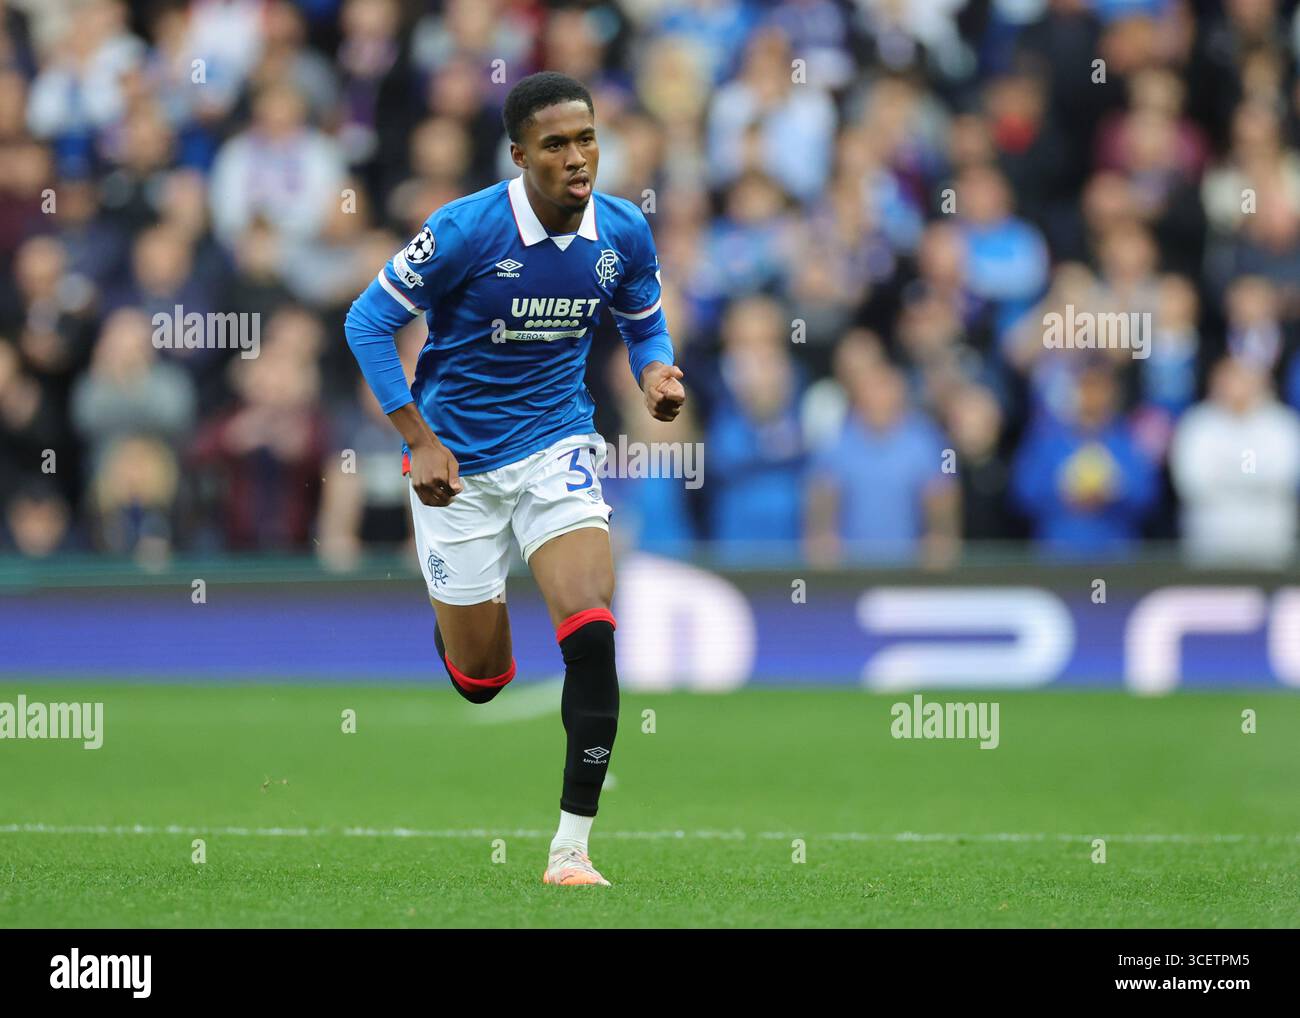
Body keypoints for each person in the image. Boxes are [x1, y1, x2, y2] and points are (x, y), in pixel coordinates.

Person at [343, 72, 684, 887]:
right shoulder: (465, 230)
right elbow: (368, 321)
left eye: (588, 138)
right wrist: (417, 439)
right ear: (520, 154)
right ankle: (459, 621)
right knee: (481, 681)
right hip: (456, 465)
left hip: (556, 445)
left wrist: (657, 371)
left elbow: (643, 319)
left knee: (592, 630)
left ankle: (572, 848)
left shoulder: (625, 231)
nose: (578, 158)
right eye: (558, 144)